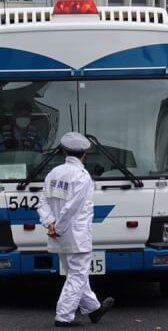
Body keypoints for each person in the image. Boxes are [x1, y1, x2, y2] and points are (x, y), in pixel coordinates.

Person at [37, 132, 114, 327]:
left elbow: (42, 201)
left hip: (58, 234)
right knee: (78, 274)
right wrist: (59, 228)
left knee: (75, 273)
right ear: (85, 152)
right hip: (75, 234)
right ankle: (63, 315)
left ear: (63, 150)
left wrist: (50, 223)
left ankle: (94, 309)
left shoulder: (53, 173)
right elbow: (72, 207)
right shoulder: (82, 177)